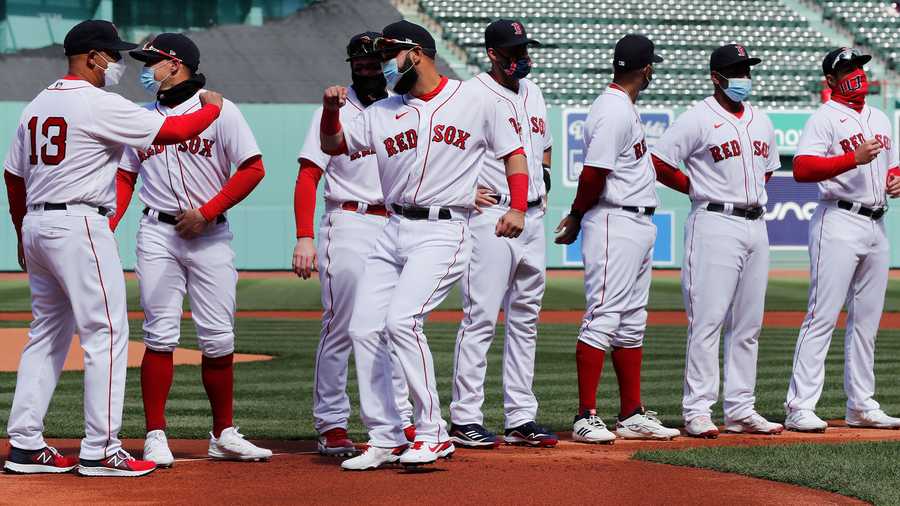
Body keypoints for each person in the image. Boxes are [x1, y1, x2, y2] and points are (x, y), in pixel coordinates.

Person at [3, 20, 223, 477]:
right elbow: (175, 134)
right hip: (79, 222)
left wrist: (22, 229)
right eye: (112, 54)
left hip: (39, 225)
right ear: (92, 56)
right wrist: (211, 108)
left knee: (46, 335)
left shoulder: (36, 105)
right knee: (105, 333)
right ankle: (102, 448)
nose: (118, 63)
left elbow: (13, 176)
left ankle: (24, 444)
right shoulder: (96, 103)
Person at [319, 20, 527, 470]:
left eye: (390, 54)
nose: (383, 64)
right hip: (393, 230)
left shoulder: (474, 100)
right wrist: (331, 109)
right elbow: (333, 145)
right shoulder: (381, 112)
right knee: (362, 328)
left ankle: (433, 433)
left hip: (443, 230)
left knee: (402, 320)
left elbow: (514, 152)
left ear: (417, 53)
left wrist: (518, 207)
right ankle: (386, 436)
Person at [109, 32, 272, 466]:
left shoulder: (220, 110)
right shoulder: (141, 116)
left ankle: (223, 434)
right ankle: (155, 434)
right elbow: (125, 176)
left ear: (176, 65)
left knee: (219, 339)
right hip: (157, 233)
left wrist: (207, 209)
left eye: (152, 62)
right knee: (160, 334)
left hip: (211, 234)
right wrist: (110, 221)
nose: (146, 70)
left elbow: (253, 168)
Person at [293, 31, 415, 457]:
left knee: (395, 324)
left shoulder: (398, 109)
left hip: (397, 221)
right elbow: (308, 174)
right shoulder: (333, 110)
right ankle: (331, 423)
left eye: (372, 63)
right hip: (348, 219)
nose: (365, 70)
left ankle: (399, 419)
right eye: (358, 65)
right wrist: (305, 236)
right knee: (341, 324)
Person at [651, 44, 783, 438]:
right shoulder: (697, 118)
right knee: (707, 321)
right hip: (713, 222)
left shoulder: (761, 120)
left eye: (747, 69)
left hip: (755, 224)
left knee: (748, 324)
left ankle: (741, 409)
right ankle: (698, 410)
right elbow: (658, 162)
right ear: (716, 76)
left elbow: (768, 171)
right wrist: (695, 187)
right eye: (736, 70)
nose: (744, 76)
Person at [555, 34, 680, 443]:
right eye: (652, 67)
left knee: (631, 322)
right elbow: (594, 173)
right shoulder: (613, 110)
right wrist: (575, 214)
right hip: (614, 220)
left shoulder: (623, 107)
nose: (652, 72)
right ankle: (586, 415)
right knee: (604, 315)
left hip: (636, 222)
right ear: (645, 69)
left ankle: (630, 414)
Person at [448, 19, 557, 449]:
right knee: (480, 318)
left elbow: (543, 143)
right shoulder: (471, 93)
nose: (521, 57)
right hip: (491, 218)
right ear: (492, 53)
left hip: (532, 217)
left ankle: (520, 416)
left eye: (524, 48)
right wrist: (463, 189)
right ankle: (464, 417)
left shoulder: (534, 91)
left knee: (526, 320)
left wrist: (543, 175)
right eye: (513, 51)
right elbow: (447, 145)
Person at [784, 47, 900, 432]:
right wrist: (852, 160)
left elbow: (892, 164)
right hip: (838, 219)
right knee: (822, 315)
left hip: (876, 223)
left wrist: (895, 179)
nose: (857, 74)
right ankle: (799, 405)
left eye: (860, 67)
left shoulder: (880, 117)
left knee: (867, 322)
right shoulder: (825, 118)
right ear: (831, 80)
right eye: (847, 70)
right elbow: (801, 168)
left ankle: (862, 405)